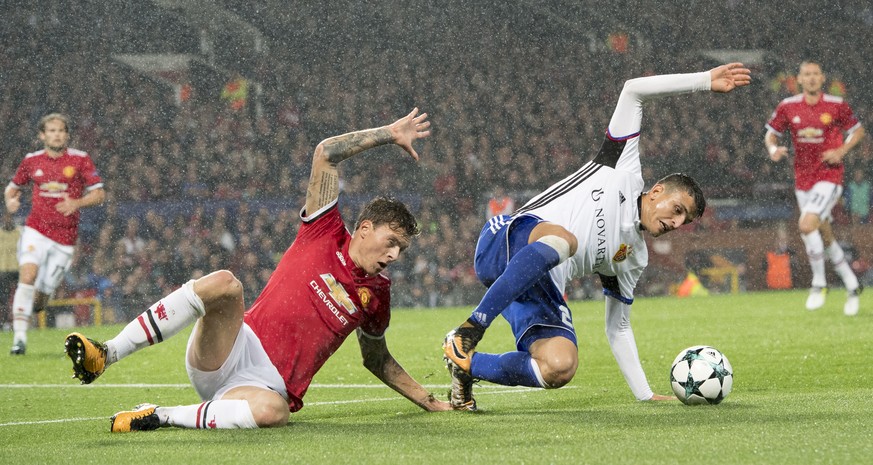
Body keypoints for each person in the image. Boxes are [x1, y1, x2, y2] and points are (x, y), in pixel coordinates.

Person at [64, 108, 455, 433]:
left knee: (275, 413)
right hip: (230, 349)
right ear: (365, 229)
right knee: (225, 283)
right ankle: (107, 352)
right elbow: (325, 153)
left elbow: (377, 359)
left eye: (401, 250)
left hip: (264, 389)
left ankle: (159, 415)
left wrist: (431, 402)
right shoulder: (324, 230)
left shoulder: (377, 295)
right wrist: (389, 134)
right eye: (391, 242)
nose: (394, 255)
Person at [442, 63, 752, 409]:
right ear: (658, 190)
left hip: (536, 282)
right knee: (566, 240)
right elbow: (633, 90)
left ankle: (466, 364)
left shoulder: (633, 258)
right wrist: (703, 81)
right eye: (677, 210)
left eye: (685, 222)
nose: (676, 223)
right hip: (505, 240)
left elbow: (618, 328)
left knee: (560, 366)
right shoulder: (623, 167)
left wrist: (645, 394)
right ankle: (470, 329)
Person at [764, 60, 866, 316]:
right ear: (799, 79)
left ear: (822, 79)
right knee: (825, 233)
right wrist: (773, 149)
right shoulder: (788, 106)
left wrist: (841, 150)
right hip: (803, 180)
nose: (811, 78)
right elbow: (771, 134)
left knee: (806, 225)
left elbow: (858, 131)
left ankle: (819, 284)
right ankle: (853, 285)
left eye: (815, 74)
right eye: (806, 74)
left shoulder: (836, 105)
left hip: (829, 177)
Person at [4, 113, 105, 355]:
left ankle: (40, 298)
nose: (56, 134)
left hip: (65, 239)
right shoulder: (31, 161)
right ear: (42, 135)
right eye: (51, 130)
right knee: (27, 276)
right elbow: (12, 188)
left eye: (60, 130)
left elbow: (100, 194)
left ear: (67, 134)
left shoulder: (80, 160)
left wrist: (76, 203)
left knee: (40, 300)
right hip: (35, 230)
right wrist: (10, 202)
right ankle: (19, 339)